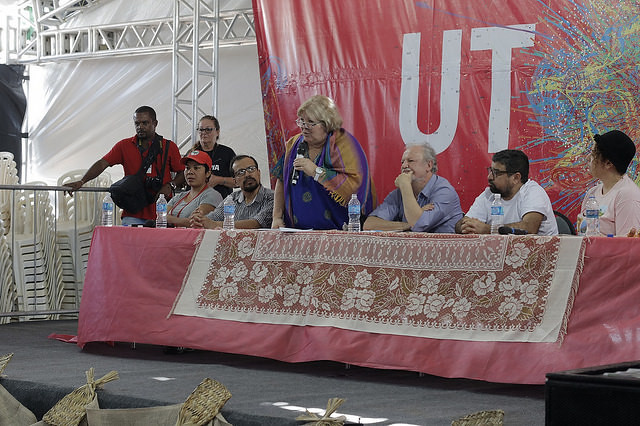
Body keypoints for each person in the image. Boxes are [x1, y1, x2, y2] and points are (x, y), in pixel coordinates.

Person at [65, 106, 184, 226]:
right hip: (133, 213)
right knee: (130, 245)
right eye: (137, 123)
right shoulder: (124, 145)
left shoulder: (169, 147)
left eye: (145, 123)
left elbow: (182, 173)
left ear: (155, 123)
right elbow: (102, 163)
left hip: (162, 214)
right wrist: (82, 181)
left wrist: (170, 185)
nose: (140, 127)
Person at [271, 95, 376, 229]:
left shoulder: (344, 144)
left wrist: (316, 172)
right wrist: (277, 217)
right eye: (301, 121)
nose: (304, 127)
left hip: (339, 232)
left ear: (327, 124)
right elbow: (281, 180)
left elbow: (355, 187)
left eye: (311, 122)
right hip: (297, 232)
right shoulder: (294, 144)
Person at [363, 144, 463, 232]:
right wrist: (406, 225)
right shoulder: (399, 193)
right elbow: (369, 225)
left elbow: (418, 224)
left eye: (410, 161)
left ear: (429, 165)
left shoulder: (444, 191)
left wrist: (405, 185)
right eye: (402, 162)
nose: (404, 166)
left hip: (443, 252)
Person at [456, 149, 558, 235]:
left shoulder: (533, 192)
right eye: (490, 171)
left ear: (516, 178)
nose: (489, 177)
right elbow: (460, 224)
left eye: (496, 173)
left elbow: (529, 228)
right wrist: (465, 226)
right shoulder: (490, 194)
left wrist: (487, 229)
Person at [580, 130, 640, 236]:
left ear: (608, 163)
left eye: (594, 154)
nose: (588, 157)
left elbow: (627, 246)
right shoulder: (592, 193)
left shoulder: (627, 196)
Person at [190, 155, 274, 229]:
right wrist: (200, 219)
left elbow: (257, 223)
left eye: (251, 169)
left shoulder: (272, 197)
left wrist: (215, 224)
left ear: (258, 173)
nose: (247, 174)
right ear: (235, 181)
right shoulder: (232, 199)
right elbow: (214, 217)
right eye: (241, 172)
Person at [166, 150, 222, 227]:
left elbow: (196, 221)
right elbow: (160, 217)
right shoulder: (180, 196)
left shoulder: (212, 195)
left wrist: (169, 219)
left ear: (208, 173)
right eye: (187, 168)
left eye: (196, 168)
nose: (190, 172)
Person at [187, 115, 236, 198]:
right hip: (195, 202)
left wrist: (219, 180)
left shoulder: (227, 153)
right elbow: (183, 177)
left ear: (217, 131)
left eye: (208, 129)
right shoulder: (192, 153)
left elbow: (239, 181)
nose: (204, 132)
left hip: (221, 204)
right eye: (201, 129)